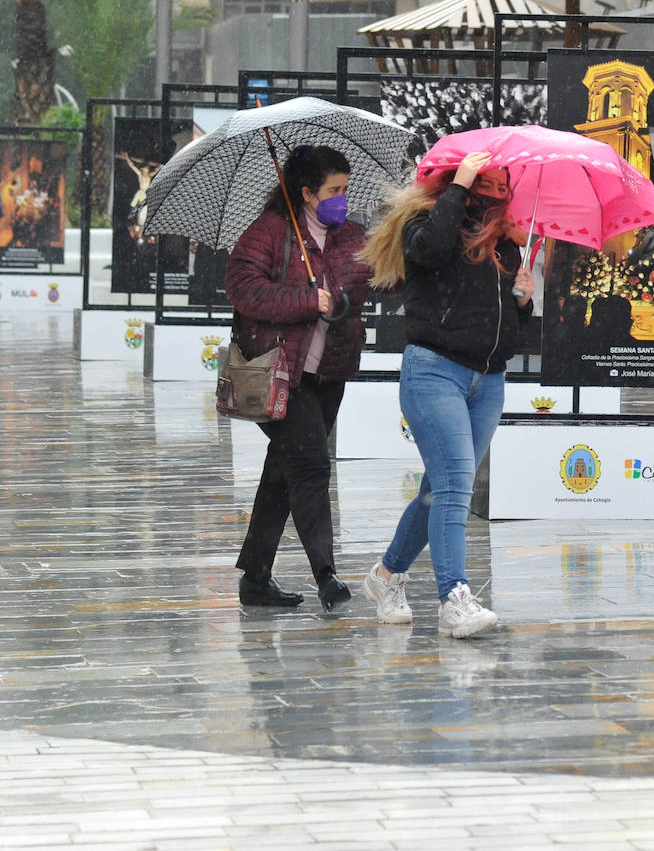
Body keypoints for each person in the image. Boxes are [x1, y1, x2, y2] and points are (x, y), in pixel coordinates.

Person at [357, 150, 535, 638]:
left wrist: (524, 300)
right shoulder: (426, 220)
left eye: (504, 181)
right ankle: (454, 597)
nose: (499, 189)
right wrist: (457, 188)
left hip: (488, 381)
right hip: (434, 372)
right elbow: (430, 251)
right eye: (489, 180)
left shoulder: (505, 245)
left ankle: (386, 576)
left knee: (440, 490)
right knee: (456, 486)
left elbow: (510, 335)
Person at [225, 145, 372, 611]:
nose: (341, 199)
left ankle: (256, 576)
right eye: (333, 190)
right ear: (307, 193)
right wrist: (309, 301)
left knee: (282, 469)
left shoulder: (350, 234)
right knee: (309, 464)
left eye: (346, 189)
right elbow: (243, 289)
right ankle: (326, 575)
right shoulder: (271, 230)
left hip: (329, 371)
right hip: (280, 371)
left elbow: (378, 276)